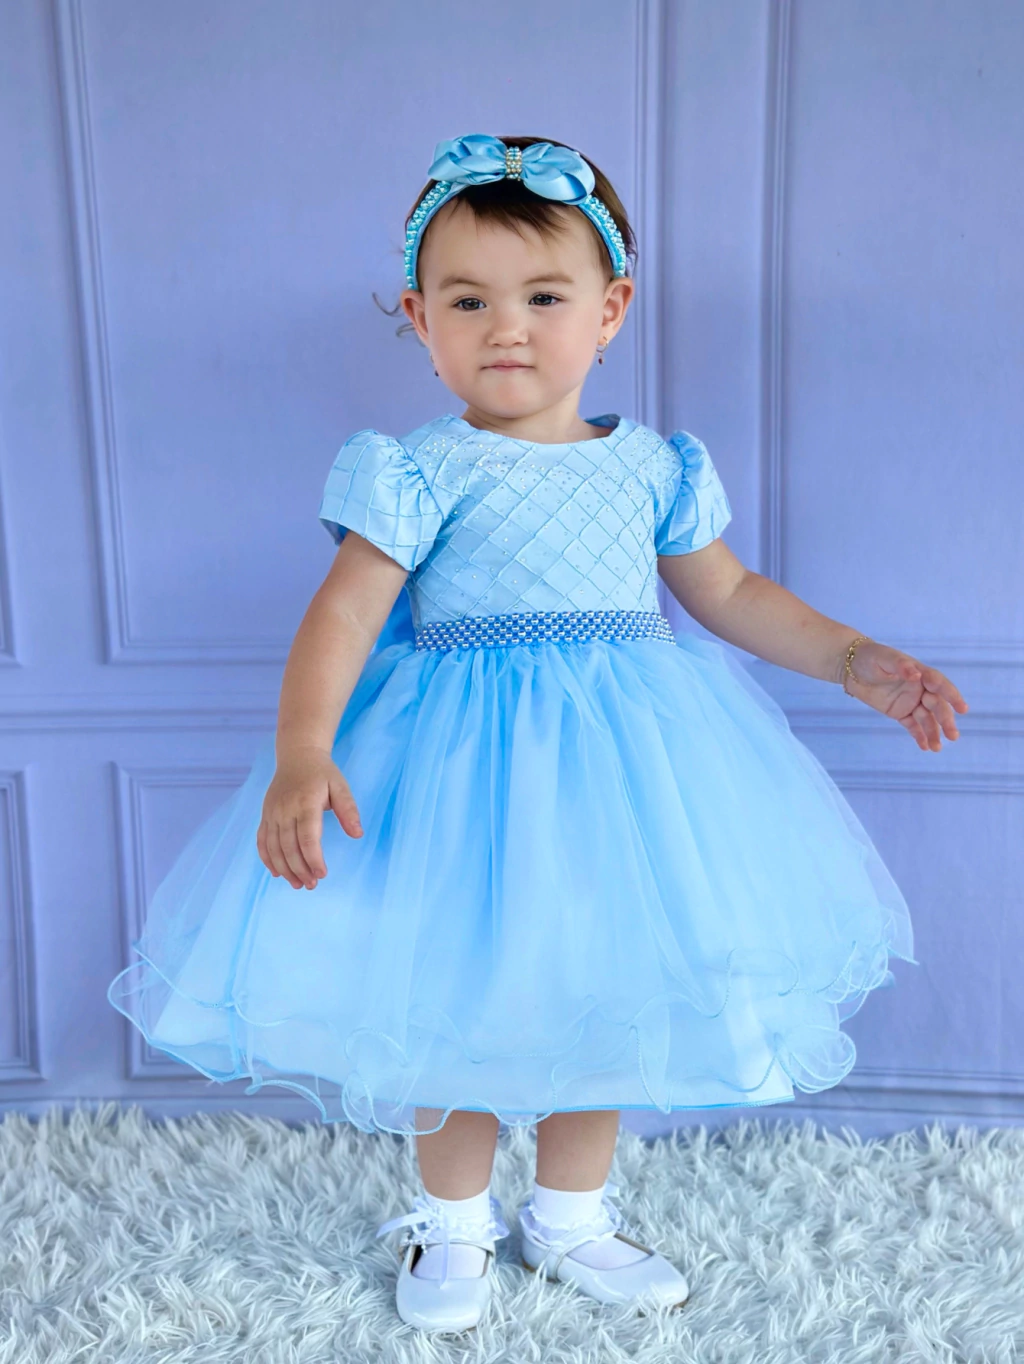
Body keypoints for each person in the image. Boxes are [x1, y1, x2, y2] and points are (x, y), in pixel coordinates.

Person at [107, 132, 969, 1336]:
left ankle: (568, 1212)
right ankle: (451, 1217)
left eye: (544, 298)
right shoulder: (420, 469)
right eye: (468, 301)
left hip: (623, 776)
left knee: (600, 982)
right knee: (449, 989)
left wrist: (849, 657)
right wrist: (305, 749)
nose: (505, 327)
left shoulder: (652, 465)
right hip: (455, 771)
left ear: (609, 311)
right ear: (421, 320)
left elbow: (728, 592)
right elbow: (344, 612)